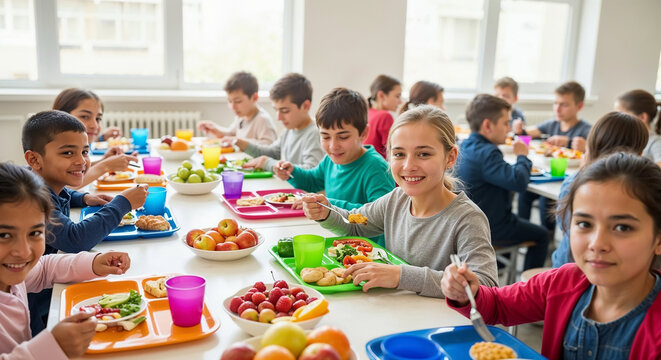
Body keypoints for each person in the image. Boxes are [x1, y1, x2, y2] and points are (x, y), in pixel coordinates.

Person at [442, 153, 661, 359]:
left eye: (622, 228)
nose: (597, 244)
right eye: (584, 224)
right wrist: (467, 293)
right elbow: (499, 305)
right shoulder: (563, 282)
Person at [300, 105, 498, 298]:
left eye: (423, 154)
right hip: (396, 313)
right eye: (399, 154)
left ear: (450, 157)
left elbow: (485, 286)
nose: (408, 166)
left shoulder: (468, 219)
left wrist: (400, 275)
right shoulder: (396, 199)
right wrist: (326, 212)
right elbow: (354, 226)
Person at [22, 110, 147, 335]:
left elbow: (60, 194)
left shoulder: (37, 183)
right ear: (34, 160)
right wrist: (122, 203)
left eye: (85, 151)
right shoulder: (33, 199)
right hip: (38, 308)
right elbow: (76, 238)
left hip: (52, 282)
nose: (81, 161)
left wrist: (83, 197)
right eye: (68, 152)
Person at [0, 162, 133, 359]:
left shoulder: (12, 274)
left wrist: (93, 263)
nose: (23, 251)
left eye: (35, 232)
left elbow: (44, 267)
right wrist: (50, 348)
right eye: (4, 235)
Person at [276, 88, 395, 246]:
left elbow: (380, 216)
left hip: (369, 252)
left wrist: (328, 205)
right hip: (337, 239)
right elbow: (312, 181)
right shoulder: (330, 160)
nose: (333, 146)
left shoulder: (376, 168)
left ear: (364, 133)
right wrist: (293, 172)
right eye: (325, 136)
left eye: (343, 137)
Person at [456, 94, 548, 270]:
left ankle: (499, 264)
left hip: (466, 221)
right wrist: (522, 156)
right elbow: (519, 183)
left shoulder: (466, 145)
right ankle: (529, 291)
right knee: (542, 235)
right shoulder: (488, 152)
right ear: (488, 125)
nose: (509, 129)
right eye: (506, 123)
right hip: (490, 227)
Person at [551, 112, 649, 267]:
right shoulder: (634, 191)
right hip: (586, 269)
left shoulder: (574, 179)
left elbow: (563, 224)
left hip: (564, 264)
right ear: (639, 154)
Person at [516, 81, 592, 233]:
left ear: (579, 106)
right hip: (548, 175)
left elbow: (597, 154)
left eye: (564, 104)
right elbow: (527, 133)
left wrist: (576, 144)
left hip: (567, 181)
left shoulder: (586, 130)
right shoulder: (553, 124)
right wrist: (520, 129)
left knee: (547, 200)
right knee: (524, 192)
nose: (557, 109)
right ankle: (523, 231)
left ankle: (547, 236)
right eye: (555, 103)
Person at [227, 73, 324, 171]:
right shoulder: (289, 129)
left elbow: (311, 171)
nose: (279, 117)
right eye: (276, 110)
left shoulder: (315, 134)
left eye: (285, 111)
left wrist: (269, 163)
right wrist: (239, 142)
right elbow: (272, 153)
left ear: (305, 106)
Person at [52, 88, 138, 188]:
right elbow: (65, 187)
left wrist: (104, 160)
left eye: (98, 119)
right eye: (85, 116)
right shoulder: (52, 148)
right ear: (61, 116)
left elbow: (74, 169)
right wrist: (106, 166)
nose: (95, 125)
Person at [197, 71, 277, 145]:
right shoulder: (241, 117)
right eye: (230, 101)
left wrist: (238, 141)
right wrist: (215, 129)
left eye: (238, 101)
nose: (233, 107)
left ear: (254, 98)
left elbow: (268, 146)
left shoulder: (262, 120)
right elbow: (231, 134)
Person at [615, 89, 661, 166]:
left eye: (621, 114)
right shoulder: (624, 139)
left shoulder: (655, 142)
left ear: (642, 117)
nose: (616, 119)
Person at [364, 74, 402, 157]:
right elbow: (395, 150)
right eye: (397, 96)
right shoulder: (384, 116)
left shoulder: (367, 112)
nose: (400, 102)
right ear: (381, 95)